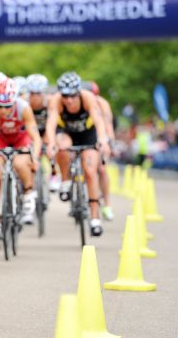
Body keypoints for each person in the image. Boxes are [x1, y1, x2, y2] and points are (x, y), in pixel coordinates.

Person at [45, 72, 110, 237]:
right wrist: (51, 143)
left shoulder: (88, 98)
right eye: (66, 96)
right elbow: (51, 124)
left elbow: (98, 120)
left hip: (88, 134)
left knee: (90, 171)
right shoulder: (56, 100)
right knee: (62, 145)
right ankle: (66, 181)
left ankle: (95, 217)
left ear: (79, 93)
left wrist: (103, 140)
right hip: (67, 133)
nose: (69, 100)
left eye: (73, 96)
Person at [0, 78, 41, 237]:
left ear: (15, 101)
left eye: (7, 107)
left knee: (20, 163)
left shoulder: (23, 108)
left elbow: (36, 138)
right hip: (0, 139)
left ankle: (27, 192)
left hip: (21, 139)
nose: (3, 111)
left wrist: (35, 158)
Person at [25, 73, 60, 192]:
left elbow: (51, 123)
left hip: (45, 129)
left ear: (43, 92)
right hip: (30, 131)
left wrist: (50, 141)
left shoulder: (50, 101)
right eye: (32, 93)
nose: (35, 97)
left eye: (38, 93)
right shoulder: (24, 101)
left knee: (51, 145)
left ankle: (54, 173)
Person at [90, 81, 116, 221]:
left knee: (102, 169)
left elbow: (108, 125)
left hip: (99, 135)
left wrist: (110, 142)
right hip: (85, 135)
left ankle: (107, 205)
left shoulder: (102, 104)